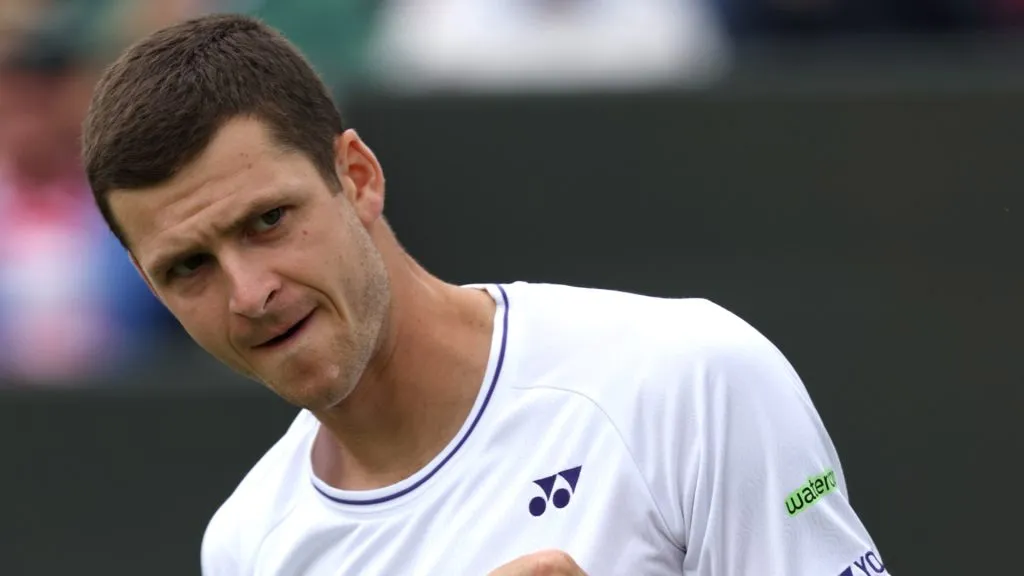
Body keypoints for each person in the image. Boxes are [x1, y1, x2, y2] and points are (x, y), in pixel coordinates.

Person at [81, 14, 888, 576]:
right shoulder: (248, 545)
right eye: (187, 267)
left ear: (357, 178)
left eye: (268, 220)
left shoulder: (694, 377)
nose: (249, 292)